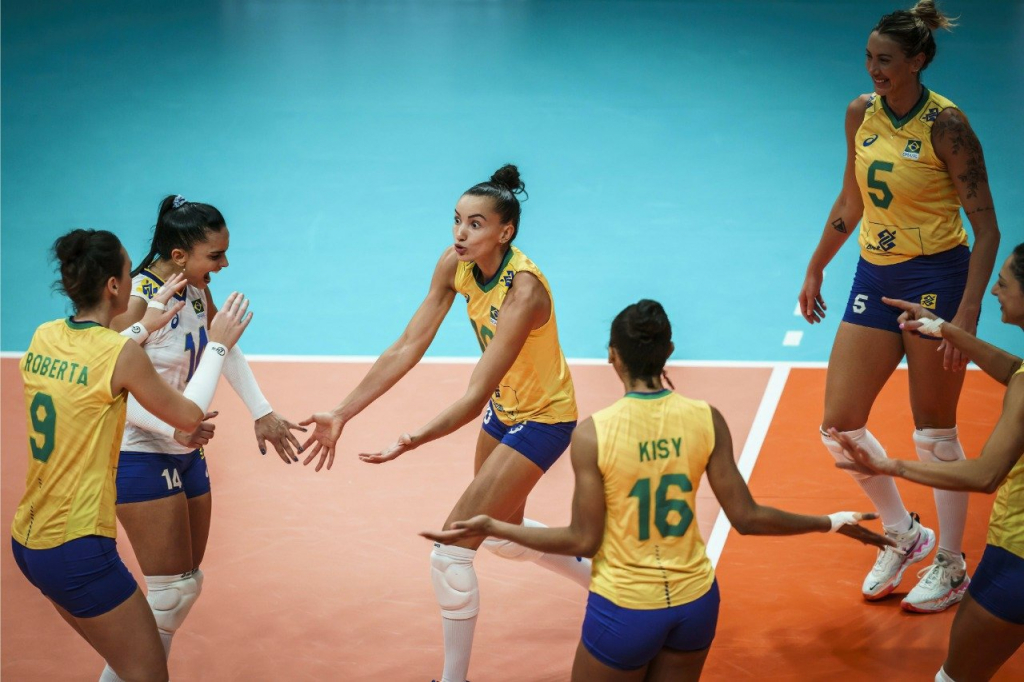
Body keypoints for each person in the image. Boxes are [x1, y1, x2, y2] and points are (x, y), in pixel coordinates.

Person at [422, 299, 893, 681]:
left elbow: (582, 541)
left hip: (627, 607)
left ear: (613, 355)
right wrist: (831, 522)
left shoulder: (595, 433)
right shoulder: (705, 419)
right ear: (668, 351)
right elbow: (748, 519)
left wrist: (495, 526)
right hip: (696, 602)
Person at [301, 165, 591, 682]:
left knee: (451, 553)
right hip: (505, 411)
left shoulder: (523, 292)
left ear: (506, 232)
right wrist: (343, 411)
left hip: (544, 418)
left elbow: (473, 391)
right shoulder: (455, 265)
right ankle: (610, 580)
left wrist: (411, 440)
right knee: (504, 537)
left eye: (476, 225)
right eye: (457, 221)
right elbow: (409, 345)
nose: (460, 233)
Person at [797, 0, 1001, 611]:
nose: (873, 70)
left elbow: (985, 227)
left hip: (937, 276)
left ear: (918, 60)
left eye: (886, 60)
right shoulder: (861, 113)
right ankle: (906, 536)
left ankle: (952, 564)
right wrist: (816, 263)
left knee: (934, 433)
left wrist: (964, 316)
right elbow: (851, 197)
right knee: (839, 424)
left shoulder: (948, 126)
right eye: (868, 57)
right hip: (873, 270)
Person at [11, 229, 251, 682]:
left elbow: (99, 353)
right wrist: (218, 343)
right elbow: (186, 414)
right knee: (146, 674)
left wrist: (146, 324)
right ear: (115, 287)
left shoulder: (43, 337)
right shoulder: (119, 354)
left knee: (131, 668)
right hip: (77, 544)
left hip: (29, 538)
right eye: (128, 271)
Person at [101, 195, 305, 678]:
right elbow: (108, 388)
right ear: (178, 255)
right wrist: (170, 424)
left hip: (185, 450)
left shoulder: (192, 288)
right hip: (138, 452)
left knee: (183, 588)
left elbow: (222, 345)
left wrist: (262, 411)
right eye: (215, 255)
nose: (225, 263)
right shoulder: (136, 305)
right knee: (170, 592)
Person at [832, 243, 1024, 682]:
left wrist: (890, 467)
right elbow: (1015, 366)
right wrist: (946, 330)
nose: (993, 288)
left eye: (1004, 281)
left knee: (954, 676)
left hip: (1018, 557)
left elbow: (985, 475)